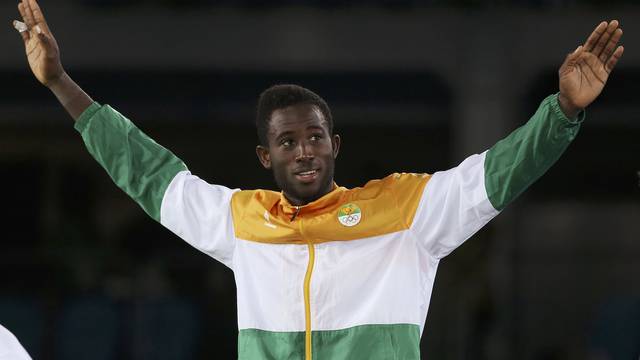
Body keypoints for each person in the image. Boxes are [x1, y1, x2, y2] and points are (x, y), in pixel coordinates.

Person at [12, 0, 624, 358]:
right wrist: (62, 86)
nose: (303, 150)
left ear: (336, 145)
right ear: (265, 158)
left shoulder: (405, 212)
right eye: (287, 141)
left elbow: (494, 175)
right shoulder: (241, 223)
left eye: (314, 137)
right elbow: (149, 174)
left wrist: (563, 111)